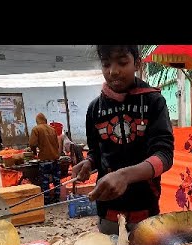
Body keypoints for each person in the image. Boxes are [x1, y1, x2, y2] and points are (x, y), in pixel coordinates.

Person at [72, 45, 174, 235]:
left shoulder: (153, 101)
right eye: (106, 64)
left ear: (137, 63)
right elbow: (96, 151)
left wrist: (124, 176)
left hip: (144, 209)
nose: (113, 71)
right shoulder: (94, 109)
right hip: (107, 210)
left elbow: (165, 156)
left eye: (122, 62)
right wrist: (88, 162)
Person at [29, 113, 61, 204]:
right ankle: (57, 198)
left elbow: (32, 144)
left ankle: (46, 200)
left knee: (45, 182)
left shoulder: (36, 129)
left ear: (37, 121)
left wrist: (34, 153)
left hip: (45, 161)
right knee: (57, 181)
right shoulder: (52, 129)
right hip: (55, 160)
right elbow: (57, 145)